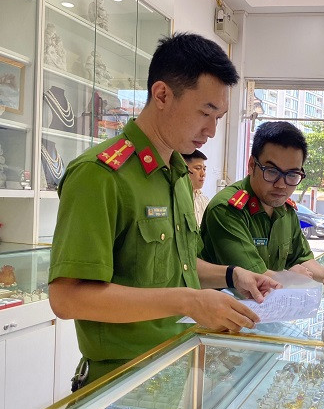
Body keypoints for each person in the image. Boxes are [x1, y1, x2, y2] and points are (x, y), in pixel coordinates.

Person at [48, 33, 279, 388]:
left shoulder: (176, 173)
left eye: (219, 117)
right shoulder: (100, 175)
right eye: (205, 112)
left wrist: (233, 276)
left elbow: (176, 265)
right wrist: (188, 302)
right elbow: (67, 298)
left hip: (179, 364)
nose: (211, 131)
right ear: (162, 95)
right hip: (121, 381)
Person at [200, 121, 324, 290]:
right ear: (251, 165)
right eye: (272, 172)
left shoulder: (285, 210)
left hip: (269, 303)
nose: (281, 185)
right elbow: (253, 278)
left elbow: (301, 258)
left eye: (292, 175)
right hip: (225, 304)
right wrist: (291, 277)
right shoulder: (227, 209)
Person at [182, 149, 210, 225]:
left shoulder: (204, 200)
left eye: (204, 169)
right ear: (183, 169)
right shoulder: (178, 199)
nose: (203, 174)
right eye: (198, 168)